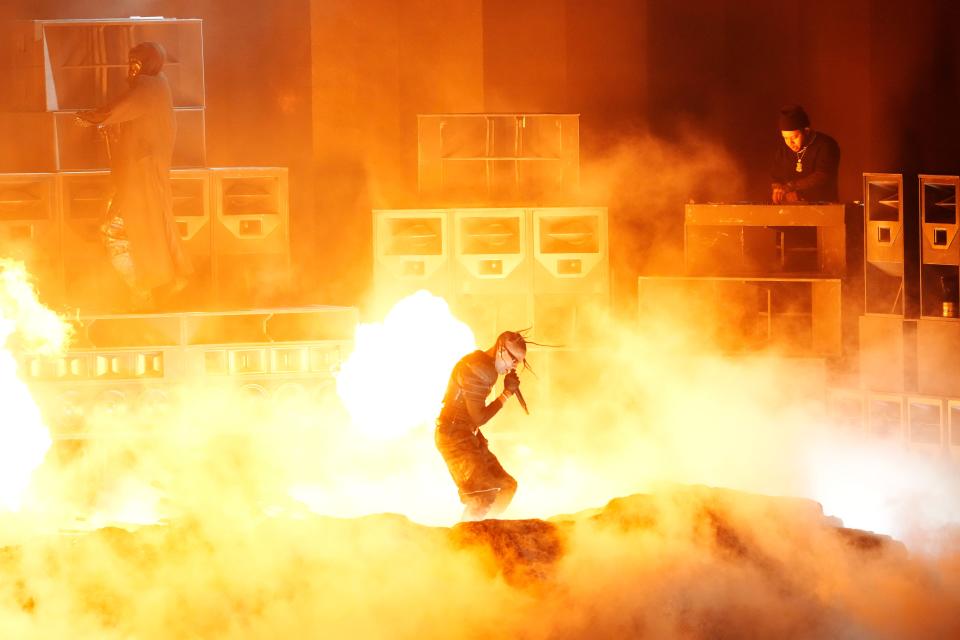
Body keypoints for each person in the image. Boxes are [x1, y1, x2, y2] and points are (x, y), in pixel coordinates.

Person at [76, 41, 191, 310]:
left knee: (114, 231)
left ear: (148, 64)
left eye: (136, 62)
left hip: (141, 175)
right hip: (141, 172)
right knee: (137, 231)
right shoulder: (158, 85)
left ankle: (144, 290)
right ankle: (157, 282)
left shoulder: (149, 88)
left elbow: (121, 107)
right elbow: (134, 119)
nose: (131, 68)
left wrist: (93, 118)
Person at [435, 331, 526, 521]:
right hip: (453, 436)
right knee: (482, 495)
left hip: (464, 434)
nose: (513, 366)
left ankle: (485, 534)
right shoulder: (481, 369)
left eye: (518, 362)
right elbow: (478, 417)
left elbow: (472, 418)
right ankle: (465, 542)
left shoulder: (482, 365)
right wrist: (506, 394)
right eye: (513, 359)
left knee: (506, 486)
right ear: (501, 349)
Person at [771, 105, 840, 204]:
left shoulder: (826, 145)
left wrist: (790, 187)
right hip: (790, 210)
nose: (790, 143)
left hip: (823, 207)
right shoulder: (784, 149)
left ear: (806, 131)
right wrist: (777, 188)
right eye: (785, 138)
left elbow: (822, 176)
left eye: (794, 137)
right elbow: (776, 174)